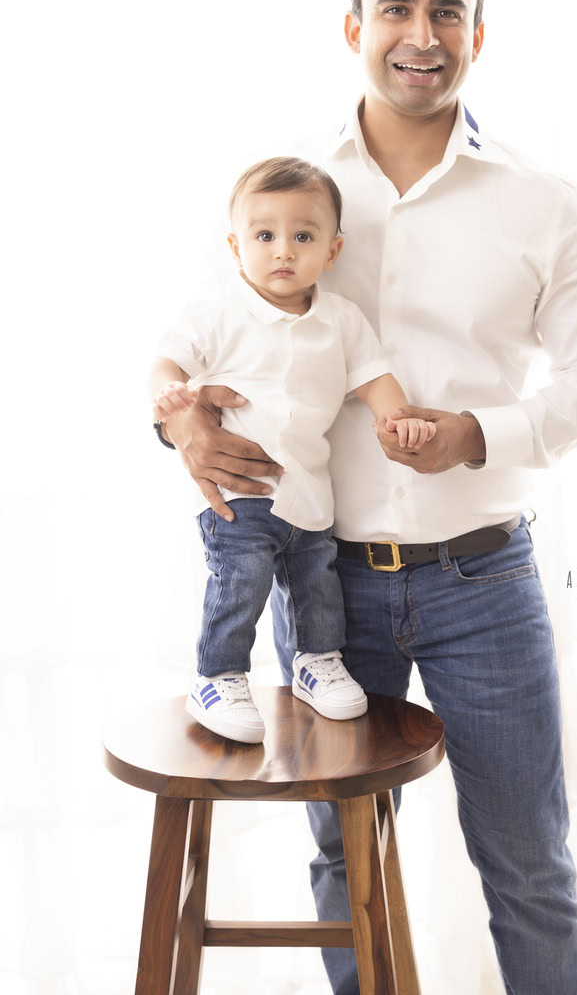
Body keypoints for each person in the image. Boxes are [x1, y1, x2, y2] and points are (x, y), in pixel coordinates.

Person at [158, 0, 577, 994]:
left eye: (444, 12)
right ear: (351, 26)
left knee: (528, 864)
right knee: (343, 855)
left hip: (484, 576)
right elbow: (200, 347)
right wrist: (179, 422)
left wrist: (483, 434)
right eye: (394, 8)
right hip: (321, 583)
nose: (418, 33)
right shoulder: (281, 194)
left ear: (477, 33)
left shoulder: (543, 201)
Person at [150, 155, 435, 744]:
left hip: (309, 491)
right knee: (241, 583)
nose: (283, 251)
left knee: (318, 584)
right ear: (236, 246)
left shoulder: (340, 320)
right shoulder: (218, 314)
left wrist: (396, 418)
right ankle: (218, 676)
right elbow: (166, 362)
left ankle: (316, 660)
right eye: (265, 235)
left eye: (302, 237)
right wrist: (171, 399)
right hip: (241, 492)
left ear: (331, 252)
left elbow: (373, 377)